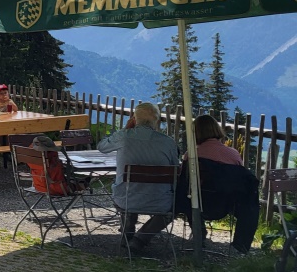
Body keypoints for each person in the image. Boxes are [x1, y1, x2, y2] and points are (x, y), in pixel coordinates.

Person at [98, 102, 180, 253]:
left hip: (126, 199)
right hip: (160, 201)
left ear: (134, 119)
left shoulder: (124, 136)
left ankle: (127, 234)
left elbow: (102, 147)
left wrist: (125, 129)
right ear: (157, 121)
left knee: (129, 190)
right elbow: (176, 169)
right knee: (173, 209)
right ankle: (140, 239)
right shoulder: (168, 143)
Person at [178, 114, 258, 254]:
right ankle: (241, 245)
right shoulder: (233, 155)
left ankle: (199, 234)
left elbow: (184, 182)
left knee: (189, 195)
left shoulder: (191, 155)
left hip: (198, 204)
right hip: (227, 204)